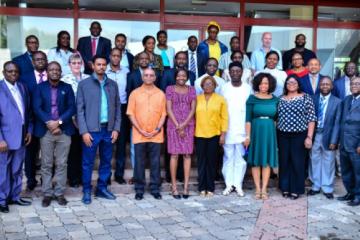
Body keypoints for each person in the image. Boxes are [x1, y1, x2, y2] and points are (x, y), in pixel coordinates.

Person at [77, 55, 121, 204]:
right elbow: (79, 110)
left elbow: (118, 109)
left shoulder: (112, 85)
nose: (101, 67)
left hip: (108, 130)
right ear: (93, 66)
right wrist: (84, 132)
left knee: (106, 161)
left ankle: (102, 188)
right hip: (91, 131)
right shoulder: (84, 84)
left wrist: (116, 129)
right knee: (87, 162)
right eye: (98, 64)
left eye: (103, 64)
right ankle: (87, 191)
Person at [33, 61, 76, 207]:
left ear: (60, 72)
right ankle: (47, 193)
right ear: (47, 71)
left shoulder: (67, 87)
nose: (55, 72)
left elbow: (72, 108)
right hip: (46, 131)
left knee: (62, 163)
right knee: (46, 164)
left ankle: (59, 193)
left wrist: (59, 122)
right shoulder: (39, 88)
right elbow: (37, 108)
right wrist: (49, 122)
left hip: (64, 130)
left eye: (57, 69)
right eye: (52, 69)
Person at [127, 68, 167, 201]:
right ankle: (139, 189)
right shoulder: (135, 93)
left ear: (155, 78)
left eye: (151, 75)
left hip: (156, 134)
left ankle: (155, 188)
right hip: (139, 134)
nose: (149, 77)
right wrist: (139, 129)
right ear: (142, 77)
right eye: (146, 75)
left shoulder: (161, 94)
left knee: (155, 163)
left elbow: (163, 114)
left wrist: (157, 129)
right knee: (139, 163)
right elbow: (130, 113)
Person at [277, 75, 316, 200]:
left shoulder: (305, 97)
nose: (291, 84)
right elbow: (276, 118)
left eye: (294, 82)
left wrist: (309, 137)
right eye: (288, 82)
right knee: (284, 162)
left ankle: (296, 189)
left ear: (298, 84)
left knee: (297, 162)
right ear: (285, 85)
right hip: (282, 135)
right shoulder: (280, 99)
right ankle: (285, 187)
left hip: (300, 135)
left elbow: (311, 118)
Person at [0, 62, 32, 213]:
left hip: (21, 137)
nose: (13, 74)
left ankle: (15, 196)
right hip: (4, 139)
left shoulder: (22, 87)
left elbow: (28, 112)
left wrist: (29, 131)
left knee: (17, 169)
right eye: (10, 71)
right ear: (3, 72)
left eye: (16, 71)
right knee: (3, 170)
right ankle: (1, 199)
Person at [245, 73, 279, 200]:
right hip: (255, 131)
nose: (263, 85)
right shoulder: (251, 99)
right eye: (261, 83)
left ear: (270, 85)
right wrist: (247, 136)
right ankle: (257, 189)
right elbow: (247, 119)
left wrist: (275, 136)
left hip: (269, 132)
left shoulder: (275, 100)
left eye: (266, 83)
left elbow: (276, 120)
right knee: (256, 161)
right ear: (257, 85)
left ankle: (264, 189)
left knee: (266, 162)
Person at [19, 50, 48, 191]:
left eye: (43, 59)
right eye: (37, 59)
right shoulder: (24, 78)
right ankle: (31, 180)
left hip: (49, 122)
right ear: (32, 62)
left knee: (48, 153)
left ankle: (45, 179)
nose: (40, 61)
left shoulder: (53, 75)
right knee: (30, 153)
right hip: (31, 122)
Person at [308, 76, 341, 199]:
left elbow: (338, 123)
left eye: (327, 84)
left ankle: (327, 187)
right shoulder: (312, 99)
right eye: (322, 84)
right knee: (314, 160)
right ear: (319, 86)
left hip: (329, 135)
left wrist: (334, 140)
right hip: (315, 134)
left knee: (329, 161)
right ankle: (316, 186)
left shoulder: (337, 102)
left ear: (332, 86)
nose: (325, 86)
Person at [221, 62, 251, 197]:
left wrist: (248, 133)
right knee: (228, 157)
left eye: (238, 71)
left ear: (242, 72)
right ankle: (229, 184)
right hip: (227, 128)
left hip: (242, 128)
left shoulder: (247, 88)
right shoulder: (224, 88)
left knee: (240, 158)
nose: (235, 73)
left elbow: (250, 110)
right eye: (232, 71)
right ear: (229, 73)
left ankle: (238, 184)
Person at [195, 76, 228, 197]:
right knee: (201, 161)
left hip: (214, 134)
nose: (208, 86)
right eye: (206, 84)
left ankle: (210, 187)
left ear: (215, 86)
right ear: (202, 86)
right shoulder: (197, 99)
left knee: (211, 161)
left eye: (211, 84)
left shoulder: (220, 99)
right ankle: (201, 187)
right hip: (199, 134)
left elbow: (224, 118)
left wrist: (223, 135)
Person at [166, 69, 196, 199]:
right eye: (179, 75)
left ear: (187, 77)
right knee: (174, 155)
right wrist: (178, 125)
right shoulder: (169, 89)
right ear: (175, 77)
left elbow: (193, 108)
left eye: (184, 76)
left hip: (188, 125)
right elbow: (168, 108)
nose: (181, 77)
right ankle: (174, 187)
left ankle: (186, 187)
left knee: (187, 155)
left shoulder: (192, 89)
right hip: (173, 125)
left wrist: (184, 125)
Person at [61, 53, 89, 188]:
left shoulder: (89, 79)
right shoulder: (64, 80)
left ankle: (84, 178)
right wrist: (72, 119)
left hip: (86, 121)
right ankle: (73, 179)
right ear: (69, 65)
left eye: (79, 63)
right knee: (73, 151)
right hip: (70, 121)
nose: (77, 65)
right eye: (74, 63)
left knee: (86, 150)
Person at [105, 48, 130, 185]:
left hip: (122, 107)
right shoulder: (103, 70)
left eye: (118, 56)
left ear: (121, 57)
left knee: (121, 144)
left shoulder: (126, 71)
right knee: (107, 143)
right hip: (107, 108)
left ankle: (119, 174)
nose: (115, 58)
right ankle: (106, 175)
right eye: (113, 55)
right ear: (110, 56)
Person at [337, 77, 360, 206]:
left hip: (356, 144)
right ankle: (350, 192)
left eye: (357, 84)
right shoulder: (346, 100)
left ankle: (358, 195)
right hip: (344, 143)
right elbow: (341, 121)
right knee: (346, 171)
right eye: (352, 83)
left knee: (358, 172)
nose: (354, 85)